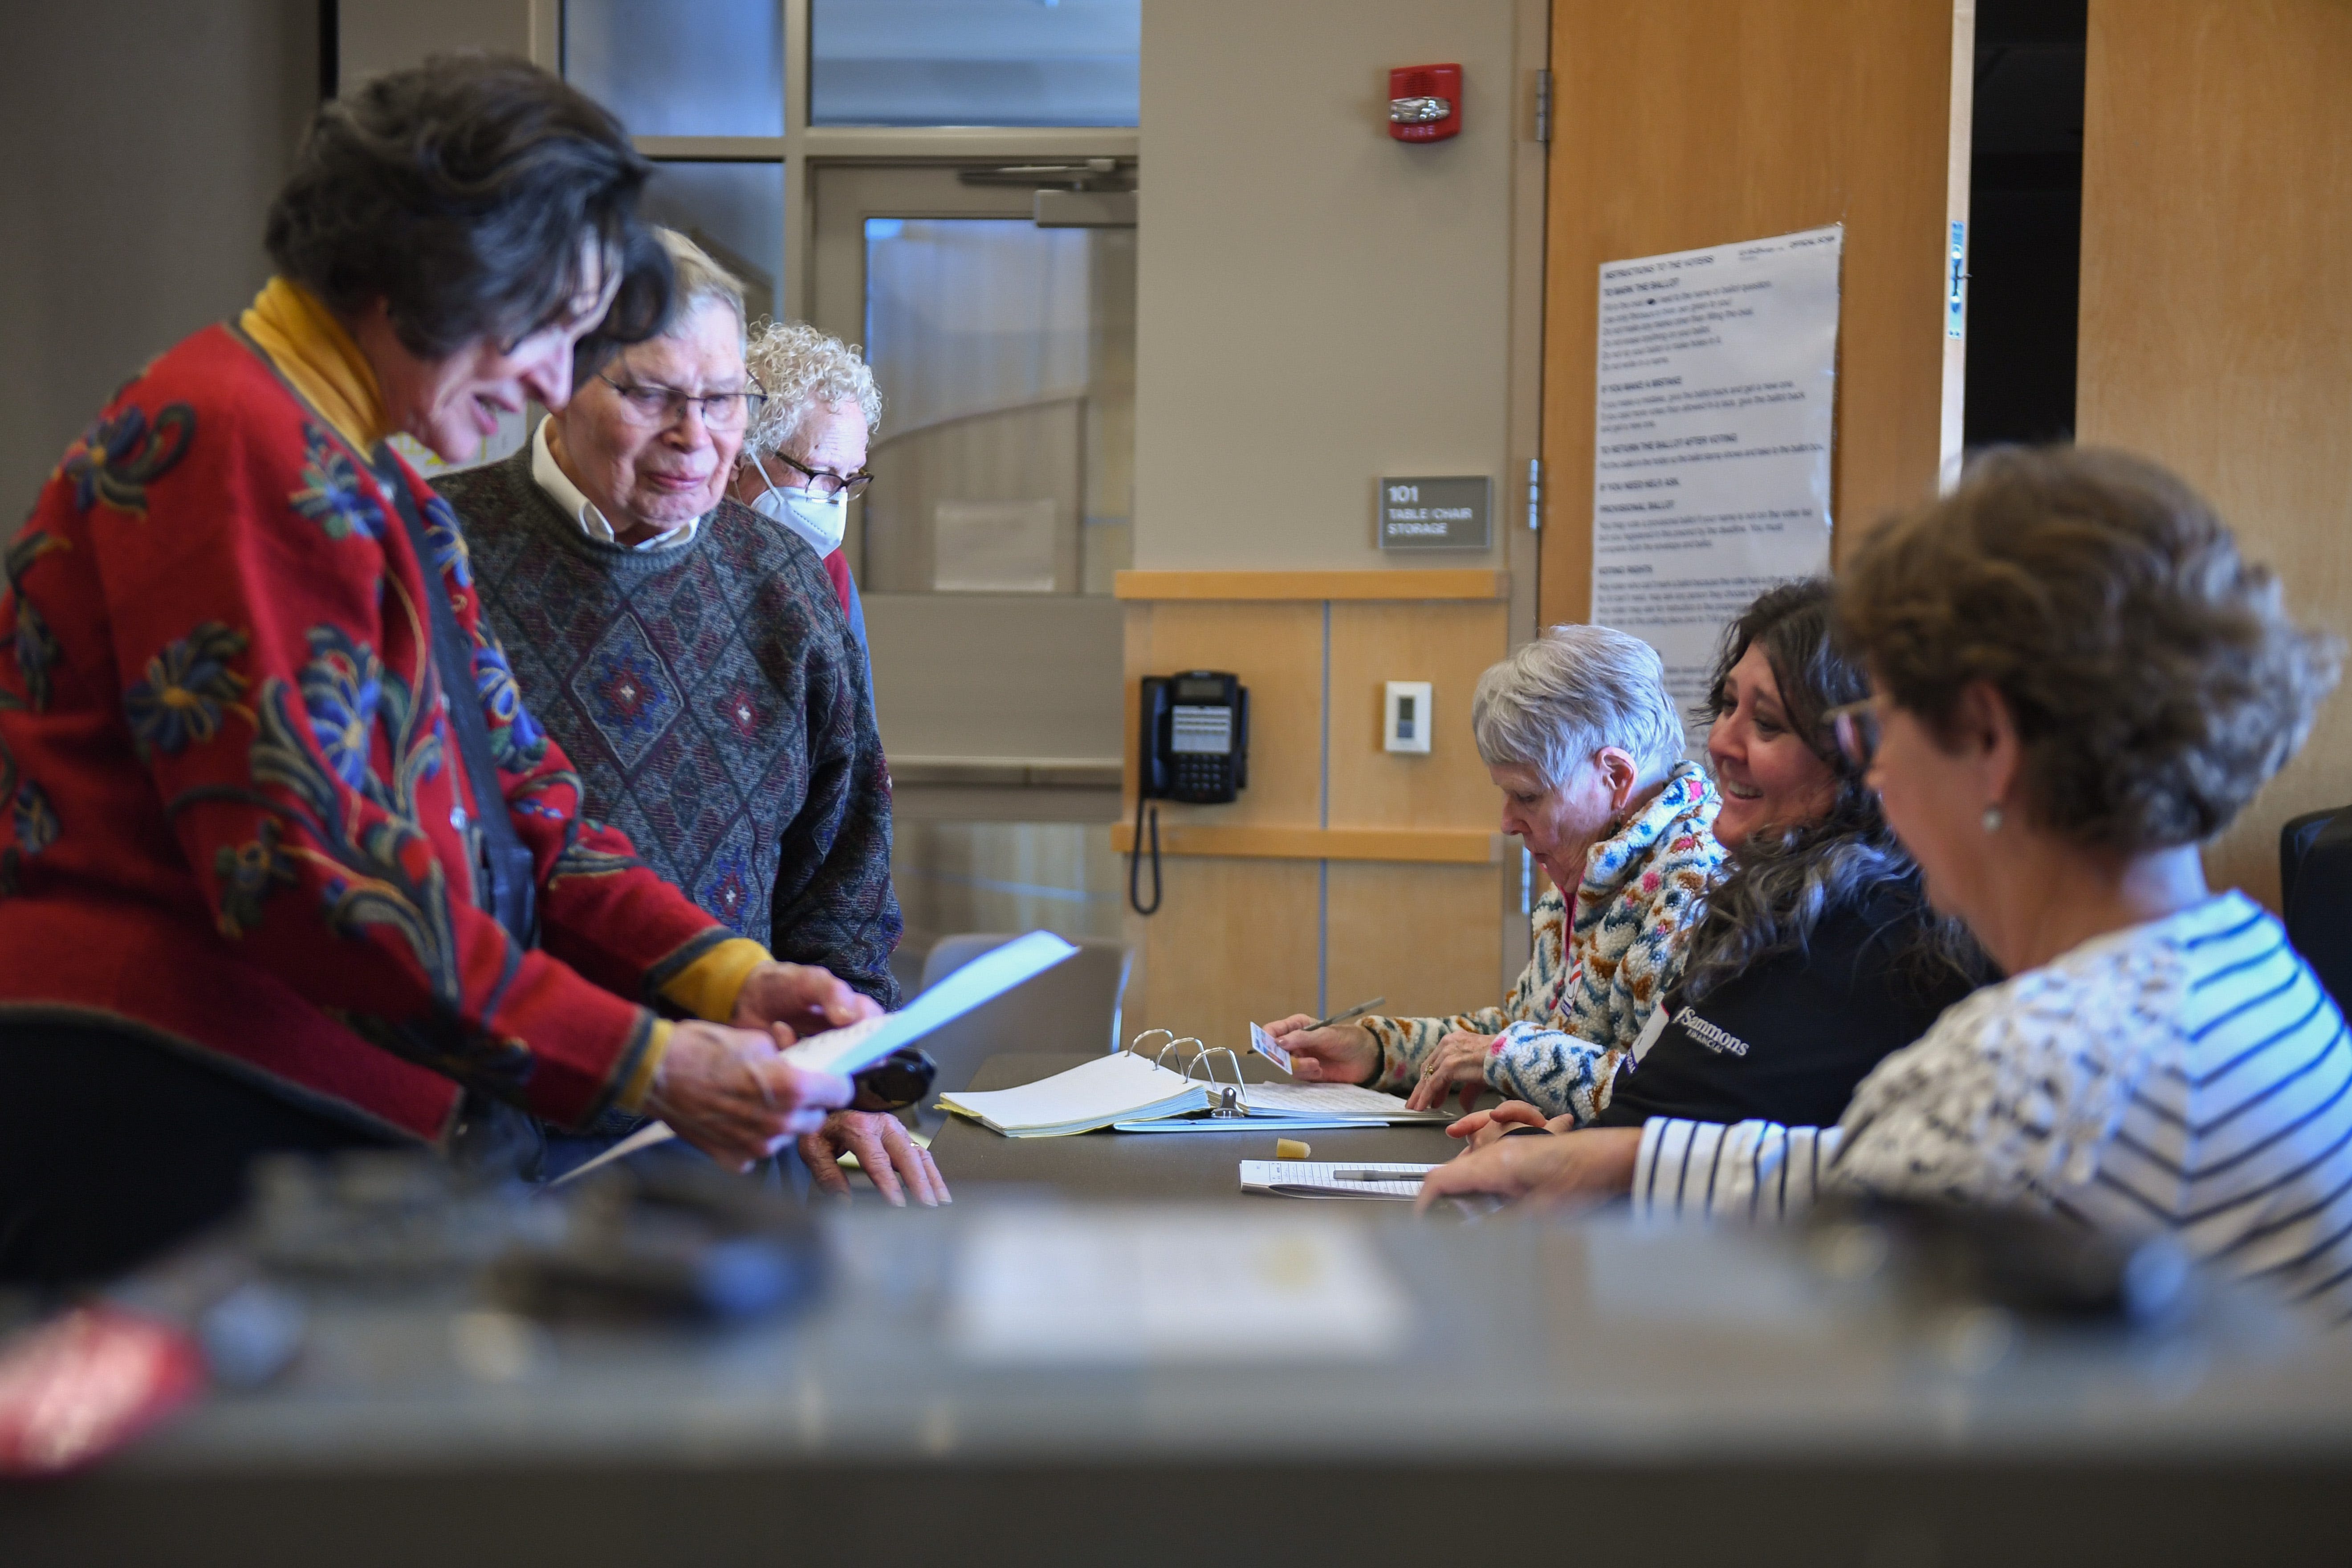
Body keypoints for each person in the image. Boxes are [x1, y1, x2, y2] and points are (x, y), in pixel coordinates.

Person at [0, 58, 885, 1288]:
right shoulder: (232, 438)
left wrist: (730, 976)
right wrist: (651, 1062)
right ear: (434, 270)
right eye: (549, 329)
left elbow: (531, 801)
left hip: (284, 1105)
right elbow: (311, 880)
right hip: (164, 1105)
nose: (545, 379)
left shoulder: (374, 479)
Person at [1423, 448, 2352, 1324]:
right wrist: (1627, 1158)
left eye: (1880, 731)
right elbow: (1863, 1166)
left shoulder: (2032, 1067)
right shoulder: (2252, 968)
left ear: (1987, 743)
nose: (1878, 782)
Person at [433, 232, 934, 1206]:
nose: (696, 435)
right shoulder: (435, 549)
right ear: (555, 382)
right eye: (651, 394)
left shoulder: (786, 582)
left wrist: (847, 1074)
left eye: (724, 401)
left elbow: (843, 867)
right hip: (483, 1124)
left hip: (733, 1131)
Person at [1447, 580, 1991, 1153]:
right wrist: (1556, 1145)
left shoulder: (1875, 935)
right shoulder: (1755, 905)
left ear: (1861, 753)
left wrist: (1568, 1157)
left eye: (1769, 723)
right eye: (1728, 705)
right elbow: (1661, 1098)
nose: (1722, 740)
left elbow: (1779, 1160)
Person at [1263, 624, 1725, 1122]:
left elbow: (1660, 1090)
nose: (1506, 821)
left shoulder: (1692, 887)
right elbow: (1525, 1028)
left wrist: (1504, 1056)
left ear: (1614, 777)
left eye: (1527, 796)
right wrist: (1375, 1049)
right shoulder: (1594, 869)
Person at [728, 320, 880, 682]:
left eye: (850, 478)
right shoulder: (669, 550)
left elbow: (856, 727)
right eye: (821, 474)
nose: (836, 500)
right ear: (741, 457)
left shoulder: (830, 571)